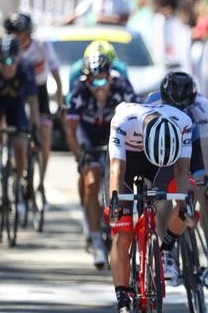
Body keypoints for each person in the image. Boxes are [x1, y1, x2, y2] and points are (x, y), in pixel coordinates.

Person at [108, 102, 193, 313]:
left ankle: (163, 250)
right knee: (122, 232)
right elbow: (116, 170)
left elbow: (182, 170)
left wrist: (183, 205)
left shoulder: (183, 122)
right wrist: (116, 204)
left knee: (186, 204)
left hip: (163, 161)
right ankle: (122, 299)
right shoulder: (123, 120)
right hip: (128, 159)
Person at [146, 71, 208, 286]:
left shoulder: (201, 106)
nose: (179, 110)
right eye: (174, 106)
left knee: (207, 198)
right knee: (160, 201)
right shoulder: (151, 104)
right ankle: (166, 255)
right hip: (163, 152)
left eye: (184, 106)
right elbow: (148, 154)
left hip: (194, 149)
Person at [64, 51, 139, 269]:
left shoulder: (122, 86)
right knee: (91, 180)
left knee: (119, 177)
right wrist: (81, 156)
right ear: (85, 79)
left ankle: (119, 227)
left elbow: (138, 115)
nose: (98, 87)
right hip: (87, 135)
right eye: (92, 81)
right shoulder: (78, 91)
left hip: (112, 133)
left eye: (102, 80)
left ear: (110, 76)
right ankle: (96, 238)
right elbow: (70, 129)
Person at [4, 13, 63, 186]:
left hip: (39, 91)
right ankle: (12, 160)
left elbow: (56, 74)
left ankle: (41, 182)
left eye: (22, 34)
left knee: (44, 134)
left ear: (29, 33)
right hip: (15, 92)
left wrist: (60, 102)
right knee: (11, 129)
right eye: (14, 34)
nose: (18, 39)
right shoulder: (6, 48)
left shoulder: (42, 46)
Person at [0, 35, 39, 188]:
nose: (7, 67)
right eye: (2, 61)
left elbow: (33, 102)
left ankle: (19, 180)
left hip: (17, 106)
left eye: (10, 61)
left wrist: (34, 129)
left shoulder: (26, 69)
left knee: (20, 142)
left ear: (17, 59)